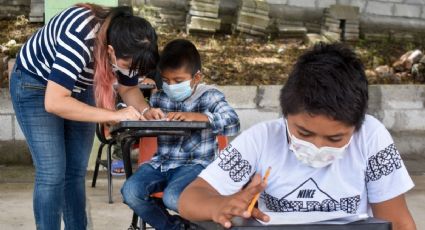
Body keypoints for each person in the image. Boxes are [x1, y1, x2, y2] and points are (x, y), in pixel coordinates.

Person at [178, 43, 416, 230]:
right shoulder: (263, 140)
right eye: (304, 133)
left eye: (335, 139)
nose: (317, 146)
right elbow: (190, 199)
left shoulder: (371, 137)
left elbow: (398, 224)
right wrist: (220, 205)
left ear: (357, 126)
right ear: (285, 114)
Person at [9, 3, 159, 229]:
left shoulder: (126, 40)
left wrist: (146, 111)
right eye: (130, 66)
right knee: (52, 172)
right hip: (36, 86)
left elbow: (128, 88)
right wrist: (113, 114)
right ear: (110, 51)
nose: (133, 73)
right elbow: (55, 101)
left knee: (75, 171)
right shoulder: (80, 35)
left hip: (78, 87)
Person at [121, 39, 240, 230]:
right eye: (166, 80)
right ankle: (177, 228)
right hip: (162, 162)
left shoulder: (209, 96)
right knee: (130, 191)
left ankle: (205, 223)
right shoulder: (159, 97)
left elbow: (233, 122)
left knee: (172, 197)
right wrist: (142, 115)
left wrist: (198, 117)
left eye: (178, 81)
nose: (171, 86)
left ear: (196, 77)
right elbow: (141, 115)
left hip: (197, 165)